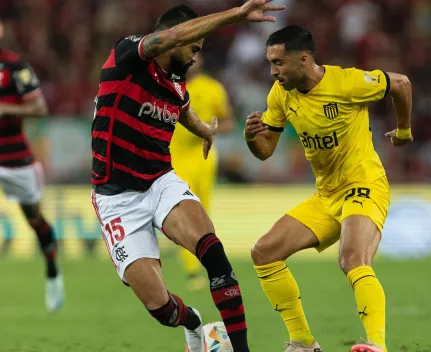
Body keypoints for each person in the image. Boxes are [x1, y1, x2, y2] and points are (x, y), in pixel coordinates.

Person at [90, 2, 285, 351]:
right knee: (159, 307)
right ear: (176, 39)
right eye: (194, 48)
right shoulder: (128, 56)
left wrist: (204, 132)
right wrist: (236, 15)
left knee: (212, 251)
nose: (195, 57)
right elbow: (177, 35)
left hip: (160, 182)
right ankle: (195, 323)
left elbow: (181, 110)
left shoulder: (177, 83)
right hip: (116, 198)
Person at [244, 26, 412, 352]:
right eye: (270, 63)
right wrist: (253, 138)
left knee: (352, 259)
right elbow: (266, 151)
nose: (272, 71)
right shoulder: (281, 95)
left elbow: (401, 83)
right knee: (263, 253)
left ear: (304, 59)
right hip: (326, 196)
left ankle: (376, 345)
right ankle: (303, 343)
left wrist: (403, 129)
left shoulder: (347, 82)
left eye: (278, 63)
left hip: (364, 185)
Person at [0, 20, 64, 311]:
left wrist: (5, 109)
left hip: (15, 159)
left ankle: (52, 269)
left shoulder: (16, 68)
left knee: (34, 218)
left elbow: (39, 108)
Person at [171, 54, 234, 291]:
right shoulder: (168, 85)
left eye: (197, 55)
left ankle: (209, 267)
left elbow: (228, 122)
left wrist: (208, 128)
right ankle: (191, 270)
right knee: (184, 214)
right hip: (176, 159)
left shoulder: (213, 89)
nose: (194, 59)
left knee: (203, 215)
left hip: (205, 160)